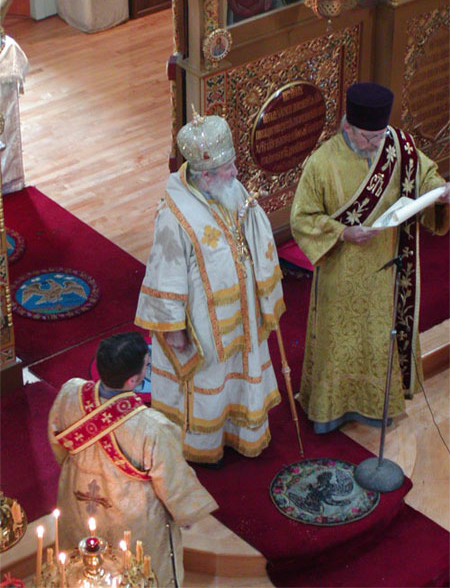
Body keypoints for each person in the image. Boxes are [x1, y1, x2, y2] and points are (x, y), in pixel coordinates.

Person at [290, 82, 449, 434]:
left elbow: (425, 175)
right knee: (338, 344)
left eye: (380, 137)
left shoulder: (399, 147)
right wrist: (343, 232)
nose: (377, 145)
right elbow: (302, 219)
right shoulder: (322, 163)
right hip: (340, 273)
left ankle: (379, 408)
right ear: (348, 127)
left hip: (384, 269)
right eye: (368, 138)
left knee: (378, 340)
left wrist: (438, 193)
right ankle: (329, 411)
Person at [135, 110, 285, 464]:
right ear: (205, 176)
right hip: (203, 324)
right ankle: (204, 447)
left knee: (240, 373)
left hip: (242, 313)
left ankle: (240, 432)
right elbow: (164, 271)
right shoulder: (175, 215)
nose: (236, 173)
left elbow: (251, 230)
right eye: (228, 168)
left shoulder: (228, 189)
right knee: (209, 383)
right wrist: (173, 329)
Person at [48, 332, 217, 587]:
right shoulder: (153, 427)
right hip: (130, 515)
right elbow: (172, 482)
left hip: (77, 496)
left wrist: (80, 467)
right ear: (134, 380)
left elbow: (57, 442)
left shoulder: (70, 392)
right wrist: (185, 513)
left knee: (81, 565)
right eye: (146, 365)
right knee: (135, 572)